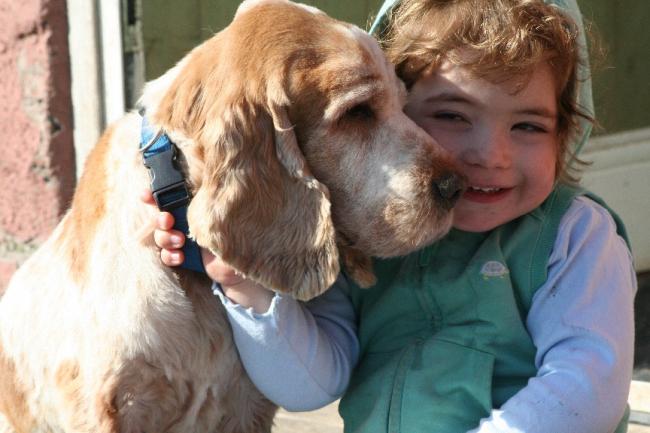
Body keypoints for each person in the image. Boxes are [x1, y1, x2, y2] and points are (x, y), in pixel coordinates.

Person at [145, 0, 637, 432]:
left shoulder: (575, 236)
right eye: (452, 116)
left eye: (528, 125)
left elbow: (587, 386)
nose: (492, 155)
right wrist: (245, 286)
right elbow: (311, 385)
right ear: (397, 112)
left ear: (565, 135)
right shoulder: (370, 236)